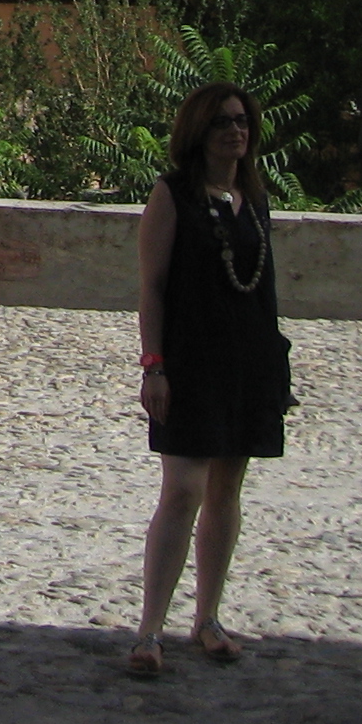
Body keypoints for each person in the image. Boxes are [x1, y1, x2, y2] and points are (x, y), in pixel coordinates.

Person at [127, 81, 294, 676]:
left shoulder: (253, 197)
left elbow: (263, 289)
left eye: (242, 120)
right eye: (223, 121)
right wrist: (154, 365)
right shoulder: (172, 194)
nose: (235, 131)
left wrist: (276, 370)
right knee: (183, 490)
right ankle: (150, 629)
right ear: (199, 130)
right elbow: (152, 287)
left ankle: (208, 618)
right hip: (190, 361)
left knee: (227, 491)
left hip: (247, 362)